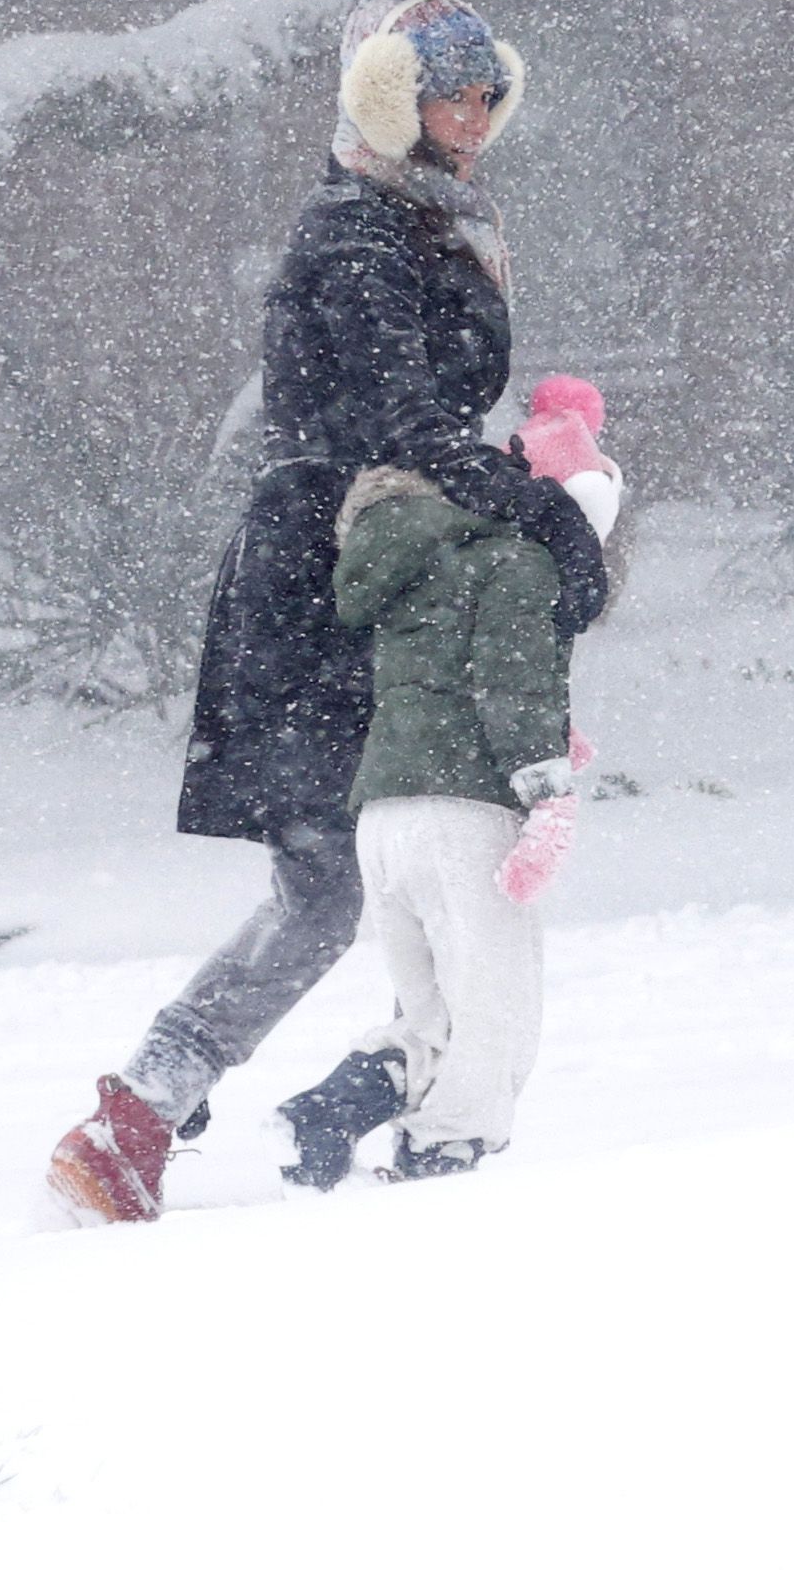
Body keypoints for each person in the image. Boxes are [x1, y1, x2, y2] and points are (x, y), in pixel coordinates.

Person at [43, 0, 613, 1224]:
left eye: (484, 93)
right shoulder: (357, 230)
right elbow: (404, 423)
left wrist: (529, 487)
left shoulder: (416, 213)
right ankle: (142, 1109)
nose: (471, 119)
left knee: (424, 849)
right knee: (337, 875)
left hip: (392, 567)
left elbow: (419, 434)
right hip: (321, 582)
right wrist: (535, 504)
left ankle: (376, 1085)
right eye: (441, 93)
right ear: (388, 101)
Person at [322, 370, 621, 1179]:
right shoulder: (519, 560)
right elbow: (509, 683)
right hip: (465, 814)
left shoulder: (427, 556)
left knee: (434, 1020)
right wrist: (547, 787)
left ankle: (325, 1112)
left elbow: (446, 670)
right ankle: (443, 1157)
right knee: (499, 1015)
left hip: (383, 816)